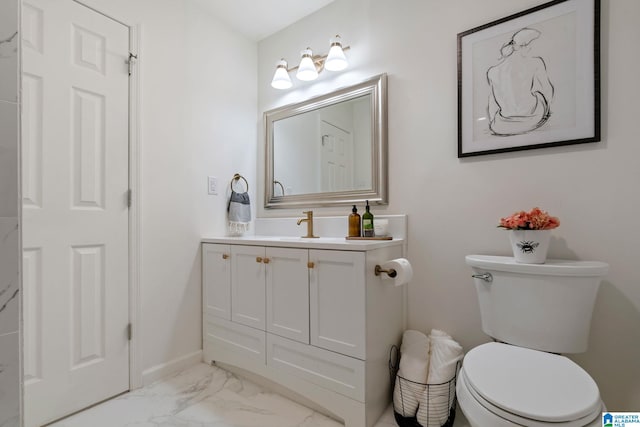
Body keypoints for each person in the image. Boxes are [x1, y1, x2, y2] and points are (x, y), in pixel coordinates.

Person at [486, 28, 554, 136]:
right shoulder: (536, 62)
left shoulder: (492, 71)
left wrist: (492, 121)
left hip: (502, 124)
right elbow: (547, 89)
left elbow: (492, 102)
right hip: (531, 118)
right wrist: (547, 110)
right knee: (538, 94)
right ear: (525, 46)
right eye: (532, 45)